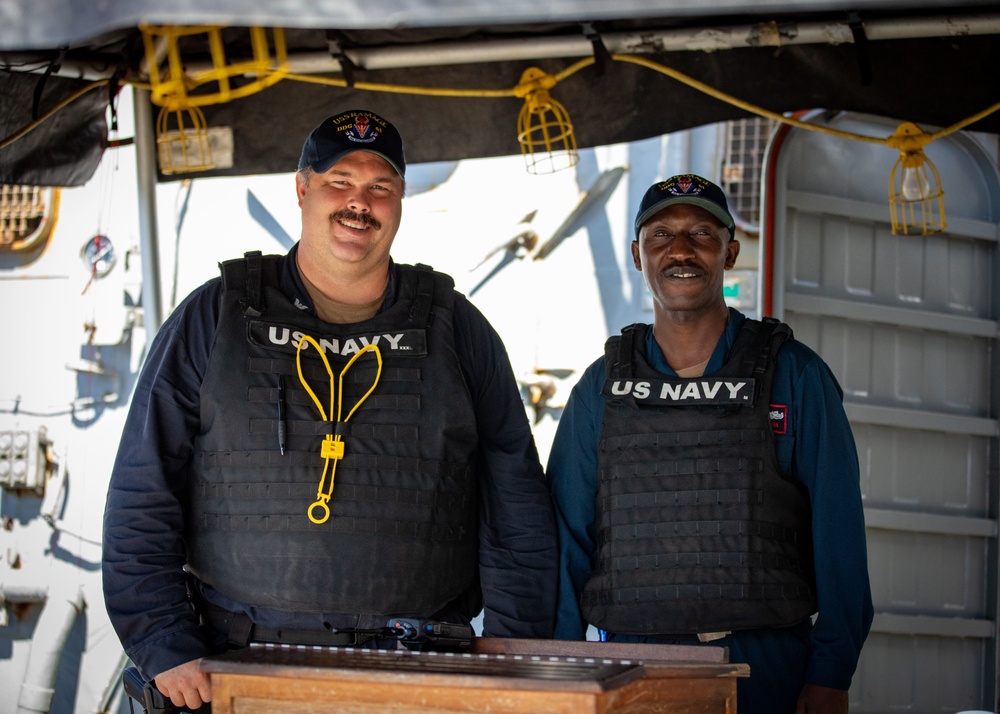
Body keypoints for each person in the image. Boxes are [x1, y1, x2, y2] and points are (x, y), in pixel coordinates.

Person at [103, 109, 558, 711]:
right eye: (339, 181)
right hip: (238, 670)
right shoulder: (215, 317)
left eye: (380, 187)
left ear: (400, 200)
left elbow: (516, 508)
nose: (358, 203)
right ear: (301, 188)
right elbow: (143, 490)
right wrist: (163, 640)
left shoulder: (458, 330)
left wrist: (513, 656)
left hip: (418, 677)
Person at [546, 174, 873, 714]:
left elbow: (838, 532)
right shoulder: (600, 388)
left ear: (730, 251)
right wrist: (561, 668)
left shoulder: (794, 376)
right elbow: (567, 541)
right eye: (661, 235)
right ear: (636, 254)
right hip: (632, 664)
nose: (680, 250)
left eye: (701, 233)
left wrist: (831, 672)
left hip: (763, 665)